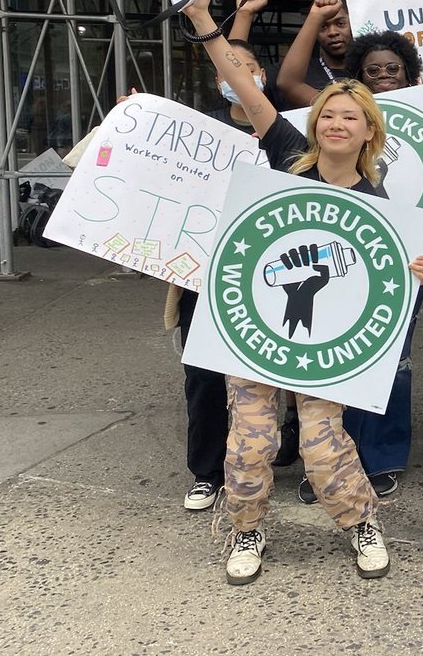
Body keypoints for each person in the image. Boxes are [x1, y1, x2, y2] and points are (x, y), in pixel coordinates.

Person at [178, 0, 423, 585]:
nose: (336, 124)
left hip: (322, 347)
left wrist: (413, 267)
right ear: (314, 122)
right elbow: (244, 84)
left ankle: (359, 522)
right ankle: (245, 531)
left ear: (369, 130)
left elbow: (385, 280)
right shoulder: (287, 153)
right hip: (256, 334)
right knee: (249, 446)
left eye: (350, 117)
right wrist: (202, 20)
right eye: (328, 115)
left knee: (323, 446)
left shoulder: (377, 203)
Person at [293, 29, 423, 503]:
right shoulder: (314, 147)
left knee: (392, 361)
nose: (386, 76)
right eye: (374, 71)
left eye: (395, 69)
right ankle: (328, 461)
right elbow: (277, 89)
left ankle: (380, 456)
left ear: (411, 73)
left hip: (407, 260)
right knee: (331, 360)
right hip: (328, 270)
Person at [175, 39, 272, 513]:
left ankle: (278, 458)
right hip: (204, 272)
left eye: (247, 66)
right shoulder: (198, 131)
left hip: (270, 275)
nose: (238, 75)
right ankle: (206, 472)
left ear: (261, 77)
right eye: (229, 68)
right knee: (205, 377)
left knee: (271, 375)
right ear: (219, 80)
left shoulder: (289, 133)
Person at [277, 0, 354, 107]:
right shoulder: (301, 72)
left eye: (340, 24)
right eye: (322, 26)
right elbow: (288, 83)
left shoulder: (368, 72)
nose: (333, 32)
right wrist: (315, 16)